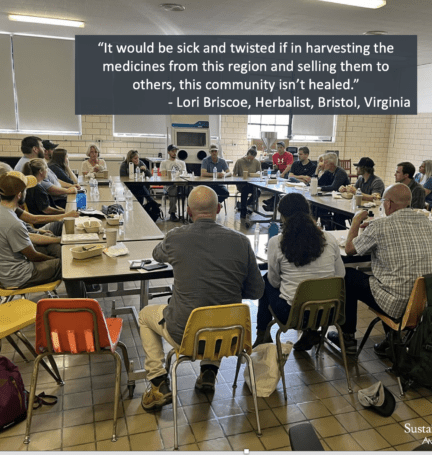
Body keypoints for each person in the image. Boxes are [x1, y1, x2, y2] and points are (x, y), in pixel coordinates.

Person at [138, 186, 264, 410]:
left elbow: (156, 254)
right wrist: (228, 287)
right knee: (217, 308)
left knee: (145, 316)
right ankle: (208, 372)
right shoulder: (242, 241)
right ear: (218, 209)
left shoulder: (176, 237)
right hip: (230, 334)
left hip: (185, 335)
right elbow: (256, 291)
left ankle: (158, 382)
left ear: (188, 211)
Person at [327, 183, 432, 355]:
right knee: (395, 276)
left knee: (348, 276)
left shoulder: (380, 227)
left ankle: (347, 338)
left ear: (388, 203)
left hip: (397, 305)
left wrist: (356, 222)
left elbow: (350, 249)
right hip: (425, 302)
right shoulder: (427, 223)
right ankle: (392, 340)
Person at [253, 193, 345, 351]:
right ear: (308, 212)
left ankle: (263, 334)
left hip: (293, 315)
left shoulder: (277, 242)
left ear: (282, 216)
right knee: (317, 290)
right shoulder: (329, 239)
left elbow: (274, 282)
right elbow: (340, 275)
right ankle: (311, 332)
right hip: (328, 312)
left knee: (265, 280)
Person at [0, 171, 84, 297]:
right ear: (19, 195)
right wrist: (55, 260)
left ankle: (79, 299)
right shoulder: (12, 222)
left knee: (57, 250)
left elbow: (28, 238)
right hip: (20, 276)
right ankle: (81, 306)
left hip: (5, 271)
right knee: (71, 264)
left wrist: (56, 240)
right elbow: (34, 256)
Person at [0, 162, 76, 255]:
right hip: (24, 243)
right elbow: (32, 222)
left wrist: (45, 233)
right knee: (62, 250)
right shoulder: (1, 201)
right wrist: (64, 219)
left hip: (26, 237)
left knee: (60, 231)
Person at [15, 136, 78, 208]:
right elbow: (48, 188)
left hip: (58, 198)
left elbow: (54, 179)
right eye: (41, 146)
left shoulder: (38, 161)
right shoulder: (29, 165)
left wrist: (71, 186)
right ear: (35, 149)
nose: (44, 149)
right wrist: (68, 191)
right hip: (53, 202)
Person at [22, 159, 67, 233]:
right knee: (66, 221)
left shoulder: (34, 185)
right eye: (46, 168)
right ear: (41, 171)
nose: (47, 171)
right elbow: (47, 210)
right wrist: (64, 213)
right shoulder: (37, 188)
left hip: (39, 223)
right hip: (41, 225)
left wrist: (63, 211)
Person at [120, 150, 161, 222]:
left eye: (138, 158)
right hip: (129, 187)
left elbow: (150, 175)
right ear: (130, 159)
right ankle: (151, 201)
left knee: (140, 187)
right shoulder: (124, 165)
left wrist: (145, 170)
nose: (137, 160)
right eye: (135, 158)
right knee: (141, 187)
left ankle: (144, 209)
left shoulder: (141, 163)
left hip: (138, 186)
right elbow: (122, 178)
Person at [232, 147, 262, 219]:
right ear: (247, 155)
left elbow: (259, 173)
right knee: (245, 190)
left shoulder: (257, 162)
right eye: (249, 158)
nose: (250, 160)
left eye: (252, 158)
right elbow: (234, 174)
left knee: (258, 192)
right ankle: (243, 212)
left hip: (253, 184)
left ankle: (246, 205)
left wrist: (256, 175)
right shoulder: (239, 161)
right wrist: (238, 180)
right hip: (242, 184)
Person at [160, 144, 187, 222]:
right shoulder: (164, 162)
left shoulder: (182, 163)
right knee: (173, 189)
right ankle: (172, 213)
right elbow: (164, 176)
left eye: (175, 151)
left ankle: (190, 213)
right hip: (169, 185)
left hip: (181, 184)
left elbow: (185, 174)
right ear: (168, 152)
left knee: (190, 188)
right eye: (172, 151)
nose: (174, 153)